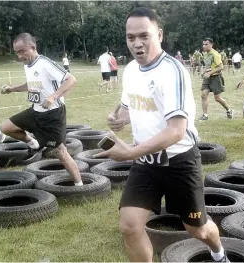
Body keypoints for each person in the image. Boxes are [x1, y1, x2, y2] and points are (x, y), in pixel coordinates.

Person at [94, 7, 229, 262]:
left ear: (159, 34)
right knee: (129, 225)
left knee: (197, 229)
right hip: (146, 163)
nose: (136, 43)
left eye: (144, 36)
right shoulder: (132, 69)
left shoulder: (173, 71)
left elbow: (176, 131)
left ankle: (219, 253)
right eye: (130, 37)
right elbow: (127, 107)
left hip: (179, 162)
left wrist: (131, 152)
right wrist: (118, 119)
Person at [0, 33, 83, 186]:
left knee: (60, 152)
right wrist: (12, 89)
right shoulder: (28, 65)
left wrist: (53, 96)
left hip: (53, 115)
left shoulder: (45, 63)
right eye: (17, 52)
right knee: (6, 127)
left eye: (22, 51)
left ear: (33, 47)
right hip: (35, 111)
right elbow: (31, 84)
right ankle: (34, 143)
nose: (19, 56)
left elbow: (71, 80)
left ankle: (80, 186)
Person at [199, 38, 233, 121]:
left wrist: (210, 73)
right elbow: (209, 66)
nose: (204, 46)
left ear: (211, 45)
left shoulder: (215, 54)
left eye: (206, 44)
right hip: (207, 78)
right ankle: (205, 115)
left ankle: (229, 110)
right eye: (203, 44)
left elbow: (221, 67)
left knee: (217, 98)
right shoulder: (205, 54)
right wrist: (204, 72)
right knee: (203, 95)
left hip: (216, 78)